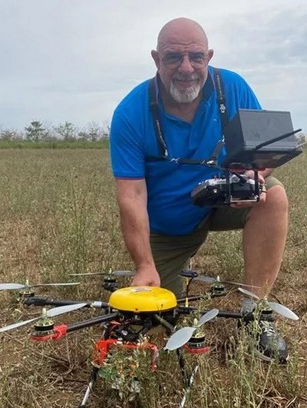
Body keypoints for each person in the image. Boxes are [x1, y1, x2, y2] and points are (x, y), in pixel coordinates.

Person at [109, 17, 290, 362]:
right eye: (173, 57)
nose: (186, 68)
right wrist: (144, 263)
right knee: (159, 325)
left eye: (196, 57)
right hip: (169, 224)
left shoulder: (233, 87)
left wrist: (251, 177)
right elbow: (131, 195)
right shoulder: (130, 113)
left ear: (209, 57)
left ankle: (255, 317)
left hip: (225, 200)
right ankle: (164, 268)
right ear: (156, 60)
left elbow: (265, 152)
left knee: (273, 195)